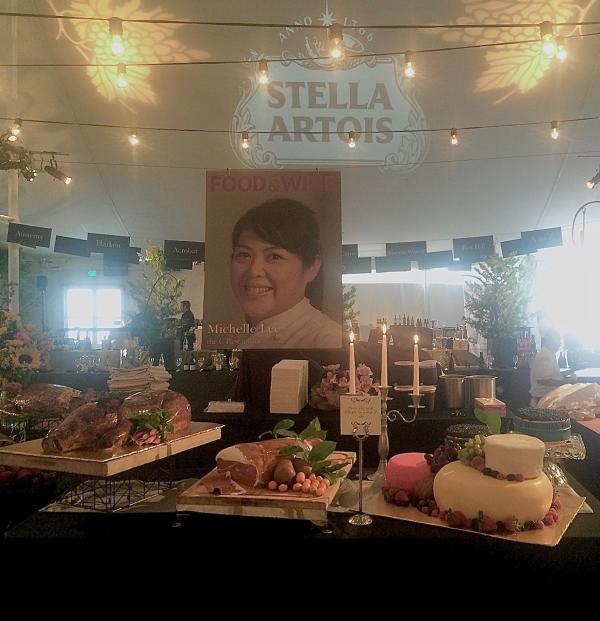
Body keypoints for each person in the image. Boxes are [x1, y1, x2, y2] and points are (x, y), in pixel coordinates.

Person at [230, 198, 342, 348]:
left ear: (312, 268)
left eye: (274, 256)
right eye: (243, 254)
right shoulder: (255, 336)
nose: (254, 271)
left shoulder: (325, 340)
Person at [529, 328, 574, 406]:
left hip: (549, 396)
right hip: (544, 399)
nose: (560, 344)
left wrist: (571, 371)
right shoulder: (545, 355)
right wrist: (566, 382)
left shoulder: (548, 353)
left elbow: (554, 375)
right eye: (558, 340)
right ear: (551, 340)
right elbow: (544, 380)